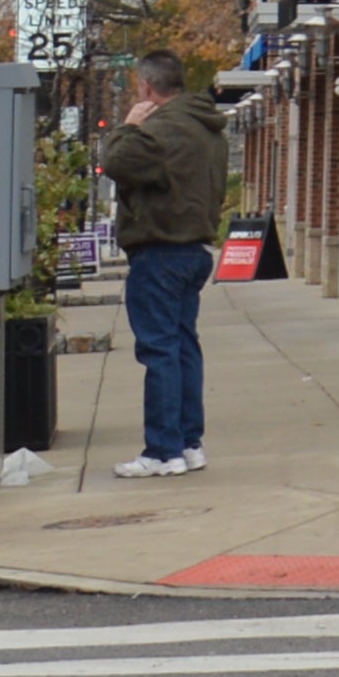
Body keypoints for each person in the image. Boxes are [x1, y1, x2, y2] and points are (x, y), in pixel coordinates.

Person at [96, 55, 233, 479]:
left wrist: (130, 124)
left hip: (159, 250)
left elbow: (114, 163)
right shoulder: (206, 129)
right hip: (192, 250)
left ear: (146, 88)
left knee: (159, 351)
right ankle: (190, 443)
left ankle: (162, 450)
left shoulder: (161, 130)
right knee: (182, 346)